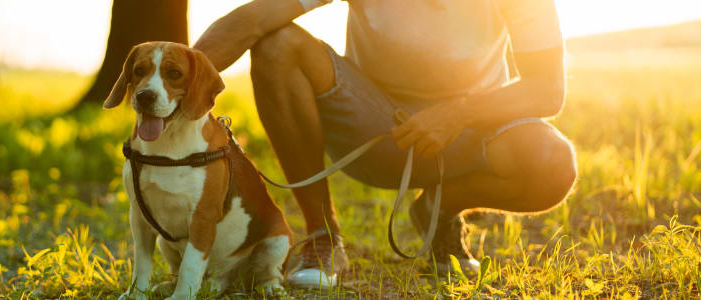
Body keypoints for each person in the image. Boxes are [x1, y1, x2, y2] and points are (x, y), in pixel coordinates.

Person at [193, 0, 577, 289]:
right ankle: (321, 235)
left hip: (472, 128)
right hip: (373, 125)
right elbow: (252, 20)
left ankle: (439, 209)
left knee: (553, 163)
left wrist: (460, 113)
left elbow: (548, 89)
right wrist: (175, 88)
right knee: (276, 45)